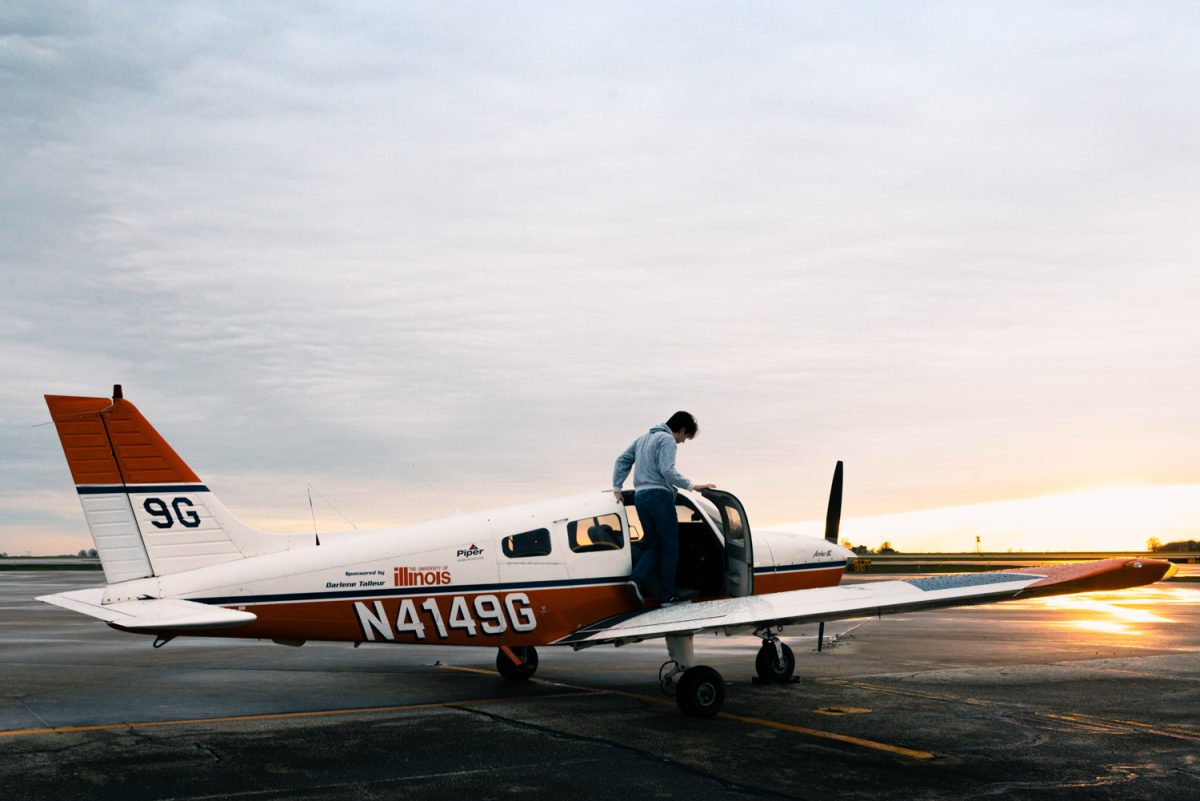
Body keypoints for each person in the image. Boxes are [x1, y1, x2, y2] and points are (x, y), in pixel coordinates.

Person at [611, 411, 715, 605]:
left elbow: (622, 459)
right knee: (670, 547)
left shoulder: (643, 439)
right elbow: (667, 470)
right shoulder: (666, 439)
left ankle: (636, 580)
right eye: (685, 437)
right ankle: (668, 596)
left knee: (654, 545)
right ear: (682, 430)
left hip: (640, 496)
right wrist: (692, 486)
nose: (682, 442)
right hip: (659, 496)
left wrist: (617, 486)